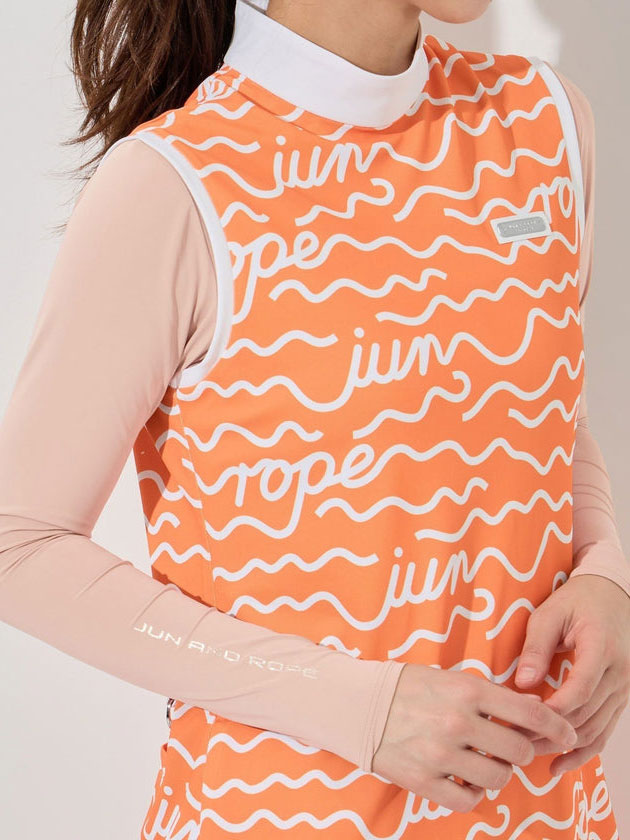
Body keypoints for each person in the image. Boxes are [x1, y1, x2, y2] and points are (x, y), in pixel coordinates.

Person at [1, 0, 629, 835]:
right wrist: (357, 706)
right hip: (281, 814)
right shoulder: (176, 182)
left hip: (548, 812)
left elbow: (539, 407)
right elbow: (19, 545)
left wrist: (604, 570)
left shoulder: (545, 124)